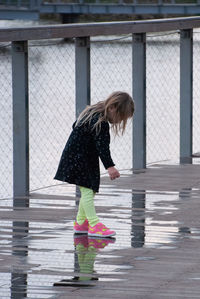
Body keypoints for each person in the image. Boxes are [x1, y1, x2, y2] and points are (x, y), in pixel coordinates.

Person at [54, 91, 134, 237]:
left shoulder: (91, 112)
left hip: (76, 156)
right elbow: (103, 147)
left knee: (90, 190)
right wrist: (110, 167)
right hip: (81, 159)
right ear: (113, 108)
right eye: (121, 117)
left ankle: (80, 223)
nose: (119, 122)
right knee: (88, 190)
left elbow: (75, 126)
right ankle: (94, 224)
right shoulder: (101, 123)